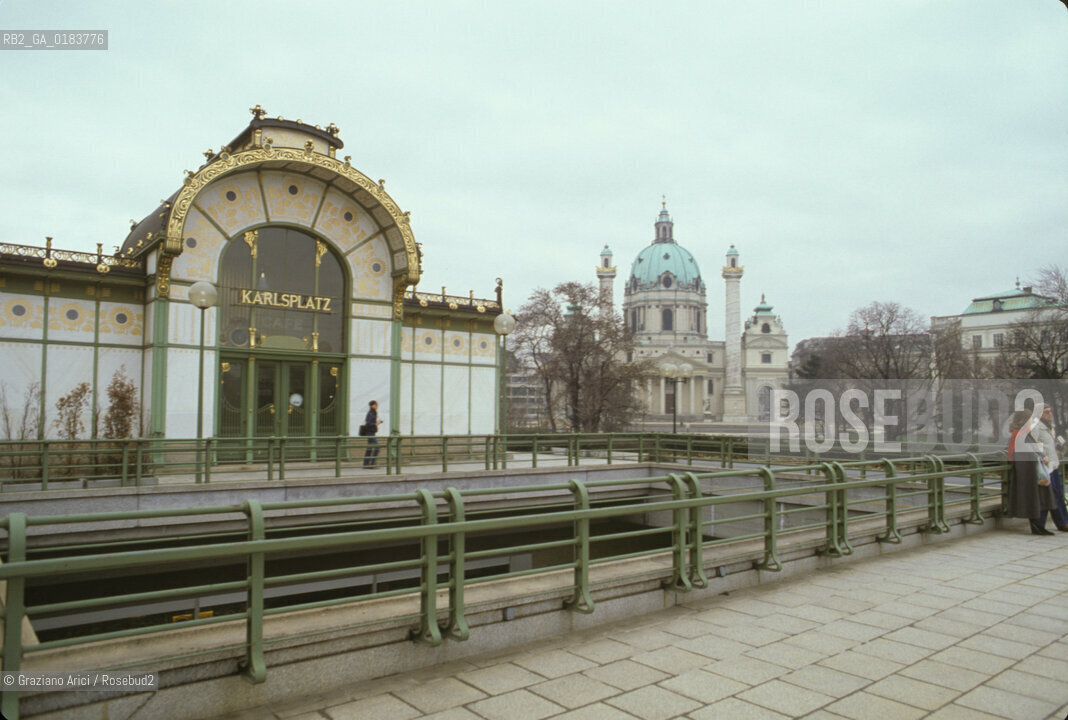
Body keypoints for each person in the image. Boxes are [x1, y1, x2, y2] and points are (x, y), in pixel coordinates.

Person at [1006, 409, 1054, 535]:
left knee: (1039, 498)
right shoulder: (1020, 434)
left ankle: (1038, 525)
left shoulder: (1024, 434)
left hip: (1031, 471)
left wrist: (1042, 456)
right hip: (1029, 473)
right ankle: (1037, 526)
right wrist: (1042, 457)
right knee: (1035, 498)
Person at [1032, 404, 1068, 531]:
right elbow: (1032, 443)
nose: (1050, 413)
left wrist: (1059, 447)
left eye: (1051, 411)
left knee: (1056, 494)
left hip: (1054, 464)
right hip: (1045, 466)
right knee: (1050, 494)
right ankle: (1059, 522)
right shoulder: (1036, 426)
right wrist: (1043, 456)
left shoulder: (1050, 427)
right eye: (1047, 412)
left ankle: (1062, 522)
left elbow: (1049, 445)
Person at [363, 400, 382, 468]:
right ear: (372, 405)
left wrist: (376, 423)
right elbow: (368, 423)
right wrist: (375, 424)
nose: (377, 406)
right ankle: (372, 463)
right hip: (370, 433)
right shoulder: (371, 413)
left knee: (369, 448)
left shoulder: (372, 412)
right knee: (377, 447)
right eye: (376, 405)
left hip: (371, 432)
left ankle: (366, 464)